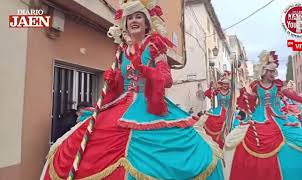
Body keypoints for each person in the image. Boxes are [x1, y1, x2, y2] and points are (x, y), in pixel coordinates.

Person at [41, 1, 223, 179]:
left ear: (147, 24)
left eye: (138, 17)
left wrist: (145, 70)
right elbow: (120, 84)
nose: (134, 21)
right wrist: (113, 80)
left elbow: (166, 80)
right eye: (130, 18)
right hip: (121, 104)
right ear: (125, 25)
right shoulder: (122, 51)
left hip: (149, 105)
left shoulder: (155, 48)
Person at [223, 50, 302, 180]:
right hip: (259, 118)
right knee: (242, 139)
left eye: (275, 71)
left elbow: (291, 95)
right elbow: (249, 105)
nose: (274, 74)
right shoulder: (255, 85)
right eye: (271, 71)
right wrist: (247, 95)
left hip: (280, 117)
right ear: (264, 71)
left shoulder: (278, 84)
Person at [203, 72, 231, 149]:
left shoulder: (231, 93)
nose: (225, 85)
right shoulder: (217, 92)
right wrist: (212, 87)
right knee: (210, 122)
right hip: (218, 111)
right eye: (224, 84)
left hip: (228, 111)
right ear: (221, 84)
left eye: (227, 84)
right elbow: (208, 94)